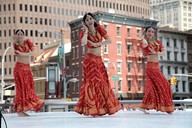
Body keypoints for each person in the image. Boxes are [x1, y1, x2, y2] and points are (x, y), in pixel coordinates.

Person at [74, 13, 121, 117]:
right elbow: (83, 42)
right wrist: (86, 32)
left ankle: (102, 108)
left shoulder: (99, 29)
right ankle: (94, 108)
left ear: (94, 20)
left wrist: (98, 44)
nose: (89, 21)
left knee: (103, 82)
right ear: (85, 23)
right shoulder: (84, 32)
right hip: (90, 60)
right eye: (87, 20)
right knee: (94, 83)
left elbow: (109, 40)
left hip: (99, 60)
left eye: (91, 19)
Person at [139, 26, 174, 114]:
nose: (151, 33)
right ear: (146, 32)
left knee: (153, 88)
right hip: (151, 67)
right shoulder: (144, 42)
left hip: (156, 66)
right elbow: (144, 43)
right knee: (164, 84)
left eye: (152, 32)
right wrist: (142, 35)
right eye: (149, 31)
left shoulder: (157, 42)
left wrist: (155, 52)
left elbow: (164, 53)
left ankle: (144, 106)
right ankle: (166, 107)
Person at [13, 29, 44, 116]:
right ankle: (20, 110)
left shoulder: (28, 42)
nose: (20, 35)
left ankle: (27, 106)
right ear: (16, 35)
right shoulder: (15, 44)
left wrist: (24, 54)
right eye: (18, 34)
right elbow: (18, 54)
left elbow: (34, 52)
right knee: (21, 89)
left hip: (27, 68)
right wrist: (28, 53)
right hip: (19, 68)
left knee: (29, 88)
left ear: (24, 35)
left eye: (21, 34)